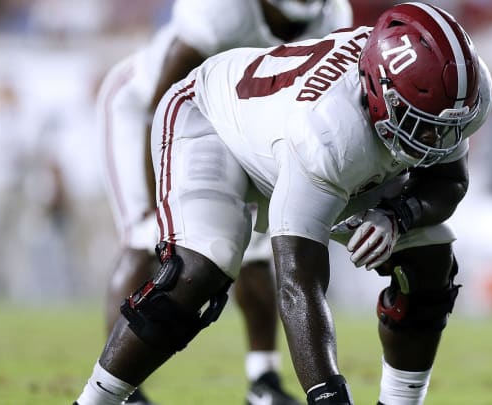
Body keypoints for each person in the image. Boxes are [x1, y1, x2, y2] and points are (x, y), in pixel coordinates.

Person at [76, 2, 492, 404]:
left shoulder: (454, 95)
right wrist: (330, 397)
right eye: (417, 122)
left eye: (444, 128)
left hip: (303, 146)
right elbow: (299, 286)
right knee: (201, 267)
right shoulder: (331, 130)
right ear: (378, 89)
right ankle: (95, 401)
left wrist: (397, 217)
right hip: (209, 121)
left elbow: (449, 180)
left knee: (430, 252)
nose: (431, 142)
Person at [95, 0, 352, 404]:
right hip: (148, 110)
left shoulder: (332, 15)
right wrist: (162, 207)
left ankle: (263, 379)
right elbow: (161, 104)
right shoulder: (221, 10)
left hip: (232, 125)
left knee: (255, 249)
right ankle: (120, 392)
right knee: (145, 238)